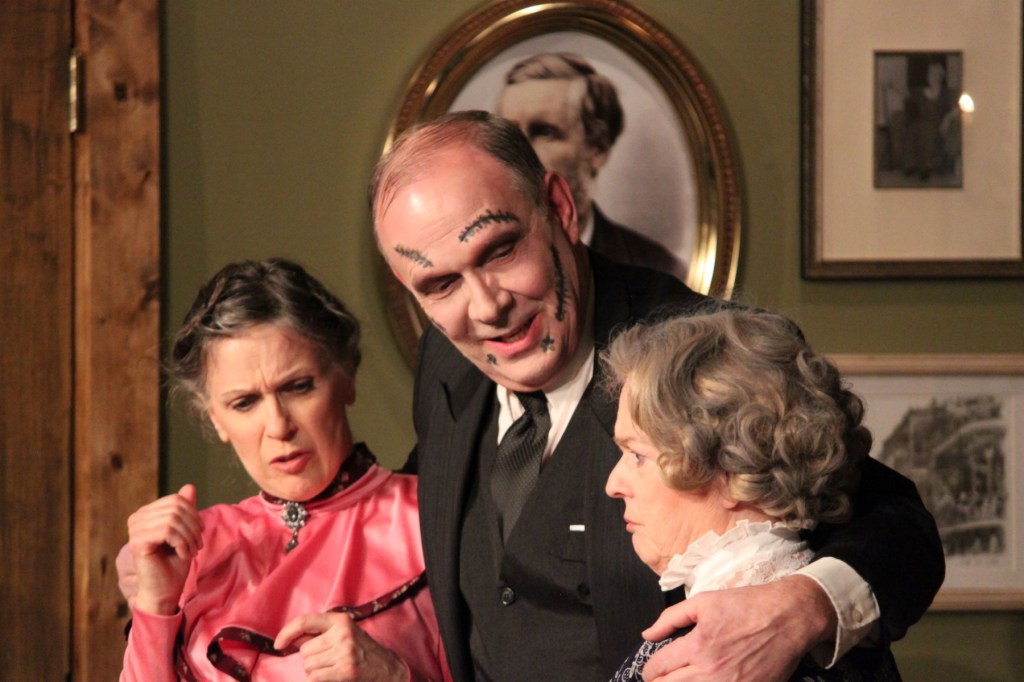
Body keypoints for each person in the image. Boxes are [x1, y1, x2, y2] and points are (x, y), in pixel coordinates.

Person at [370, 110, 942, 681]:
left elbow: (897, 526)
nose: (486, 307)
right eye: (441, 284)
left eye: (500, 251)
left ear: (560, 208)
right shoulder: (446, 359)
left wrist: (804, 608)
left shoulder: (706, 353)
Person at [119, 259, 450, 681]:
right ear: (215, 419)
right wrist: (155, 603)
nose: (278, 426)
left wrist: (396, 676)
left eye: (298, 387)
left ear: (346, 376)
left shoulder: (431, 519)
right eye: (244, 403)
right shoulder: (196, 550)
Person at [602, 308, 902, 681]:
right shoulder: (850, 640)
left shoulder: (715, 658)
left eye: (638, 456)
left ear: (730, 471)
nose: (613, 483)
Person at [496, 52, 688, 280]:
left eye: (545, 132)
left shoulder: (656, 269)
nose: (520, 152)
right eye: (511, 135)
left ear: (597, 149)